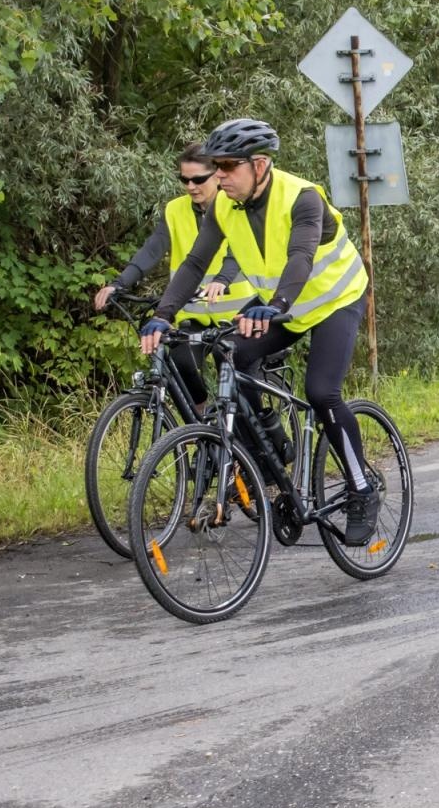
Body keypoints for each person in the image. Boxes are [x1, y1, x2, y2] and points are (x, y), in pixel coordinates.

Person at [140, 119, 382, 544]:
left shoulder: (302, 197)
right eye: (216, 167)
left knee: (321, 392)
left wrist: (276, 305)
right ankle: (268, 457)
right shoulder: (224, 206)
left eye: (228, 167)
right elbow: (195, 263)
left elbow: (301, 255)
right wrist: (164, 315)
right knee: (232, 355)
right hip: (284, 306)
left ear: (260, 165)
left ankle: (362, 488)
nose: (219, 176)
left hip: (334, 300)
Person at [96, 143, 255, 411]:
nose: (190, 186)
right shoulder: (174, 210)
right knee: (181, 363)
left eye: (198, 180)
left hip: (236, 313)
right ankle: (201, 424)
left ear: (217, 175)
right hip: (191, 312)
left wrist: (222, 279)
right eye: (184, 180)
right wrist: (118, 284)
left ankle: (248, 432)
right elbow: (152, 250)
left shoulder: (235, 207)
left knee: (232, 376)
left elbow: (239, 250)